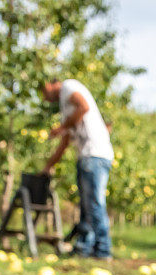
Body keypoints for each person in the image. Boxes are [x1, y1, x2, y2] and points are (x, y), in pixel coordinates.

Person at [41, 78, 114, 259]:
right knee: (87, 206)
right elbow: (64, 143)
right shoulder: (65, 109)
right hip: (87, 156)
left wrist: (61, 127)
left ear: (51, 84)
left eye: (44, 92)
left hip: (95, 154)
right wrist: (48, 166)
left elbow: (84, 106)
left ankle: (103, 250)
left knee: (95, 204)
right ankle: (85, 247)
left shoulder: (68, 87)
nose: (45, 98)